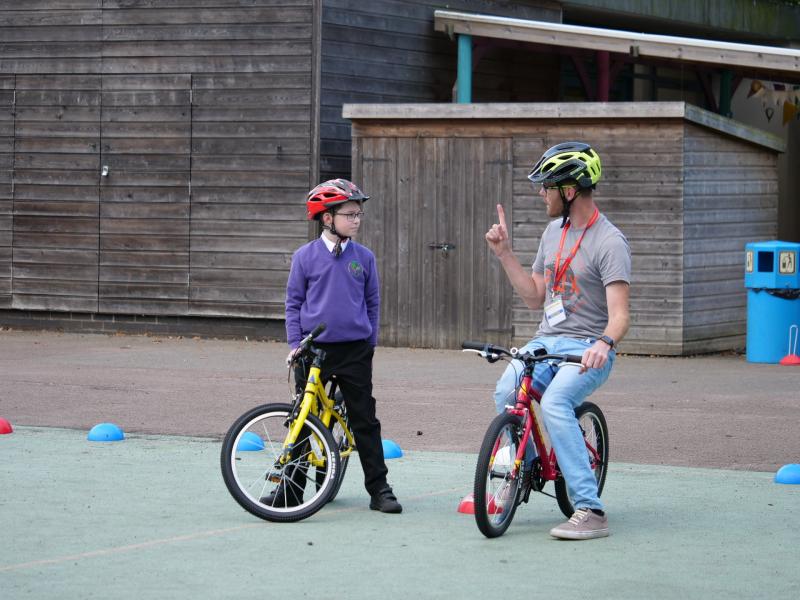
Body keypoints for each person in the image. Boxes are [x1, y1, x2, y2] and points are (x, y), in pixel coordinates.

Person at [485, 142, 630, 540]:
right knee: (506, 391)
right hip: (547, 340)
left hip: (587, 346)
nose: (540, 193)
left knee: (555, 402)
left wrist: (603, 343)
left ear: (569, 191)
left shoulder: (609, 241)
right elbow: (535, 297)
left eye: (547, 186)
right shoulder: (553, 233)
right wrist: (505, 255)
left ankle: (590, 509)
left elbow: (620, 315)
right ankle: (523, 472)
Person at [269, 178, 402, 514]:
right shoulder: (305, 257)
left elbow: (372, 302)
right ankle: (291, 491)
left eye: (359, 214)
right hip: (313, 351)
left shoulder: (364, 257)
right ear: (327, 218)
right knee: (302, 418)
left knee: (365, 420)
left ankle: (380, 490)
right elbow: (293, 302)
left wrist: (369, 341)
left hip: (355, 350)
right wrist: (296, 344)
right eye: (349, 214)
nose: (356, 220)